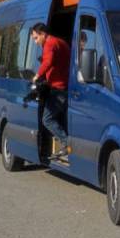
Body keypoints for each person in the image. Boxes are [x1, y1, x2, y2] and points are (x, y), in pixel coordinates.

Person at [31, 23, 71, 158]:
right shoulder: (59, 42)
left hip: (59, 89)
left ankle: (66, 144)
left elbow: (48, 62)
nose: (36, 42)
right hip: (64, 86)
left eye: (36, 38)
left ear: (43, 34)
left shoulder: (50, 43)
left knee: (47, 120)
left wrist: (37, 76)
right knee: (62, 118)